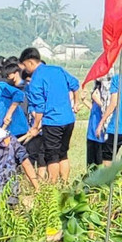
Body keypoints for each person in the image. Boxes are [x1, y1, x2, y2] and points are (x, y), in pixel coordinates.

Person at [20, 47, 80, 182]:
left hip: (52, 122)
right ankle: (64, 182)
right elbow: (75, 86)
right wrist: (76, 103)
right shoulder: (57, 70)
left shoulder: (35, 80)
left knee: (52, 156)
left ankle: (52, 185)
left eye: (24, 65)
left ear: (30, 62)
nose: (25, 69)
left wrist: (35, 127)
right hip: (68, 119)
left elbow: (39, 108)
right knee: (63, 154)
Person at [84, 76, 112, 169]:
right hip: (92, 131)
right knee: (90, 164)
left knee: (100, 163)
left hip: (102, 132)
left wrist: (98, 100)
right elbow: (93, 108)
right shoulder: (96, 91)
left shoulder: (108, 92)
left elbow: (108, 108)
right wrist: (84, 100)